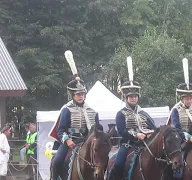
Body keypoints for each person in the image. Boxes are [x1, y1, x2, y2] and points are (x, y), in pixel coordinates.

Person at [49, 51, 99, 180]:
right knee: (57, 162)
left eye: (82, 93)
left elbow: (98, 130)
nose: (81, 96)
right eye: (78, 94)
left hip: (87, 142)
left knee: (101, 161)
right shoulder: (67, 109)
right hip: (70, 142)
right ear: (73, 95)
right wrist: (67, 140)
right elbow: (61, 130)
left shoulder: (92, 111)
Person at [108, 57, 157, 180]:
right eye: (131, 97)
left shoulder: (144, 113)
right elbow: (122, 131)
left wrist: (150, 134)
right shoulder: (121, 113)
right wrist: (136, 135)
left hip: (145, 144)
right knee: (118, 164)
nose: (133, 99)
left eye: (135, 96)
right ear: (126, 98)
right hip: (128, 144)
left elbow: (154, 128)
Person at [166, 58, 192, 180]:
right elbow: (177, 128)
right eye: (186, 99)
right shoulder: (175, 111)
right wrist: (188, 137)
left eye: (190, 98)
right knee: (176, 164)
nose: (188, 101)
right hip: (180, 141)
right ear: (182, 99)